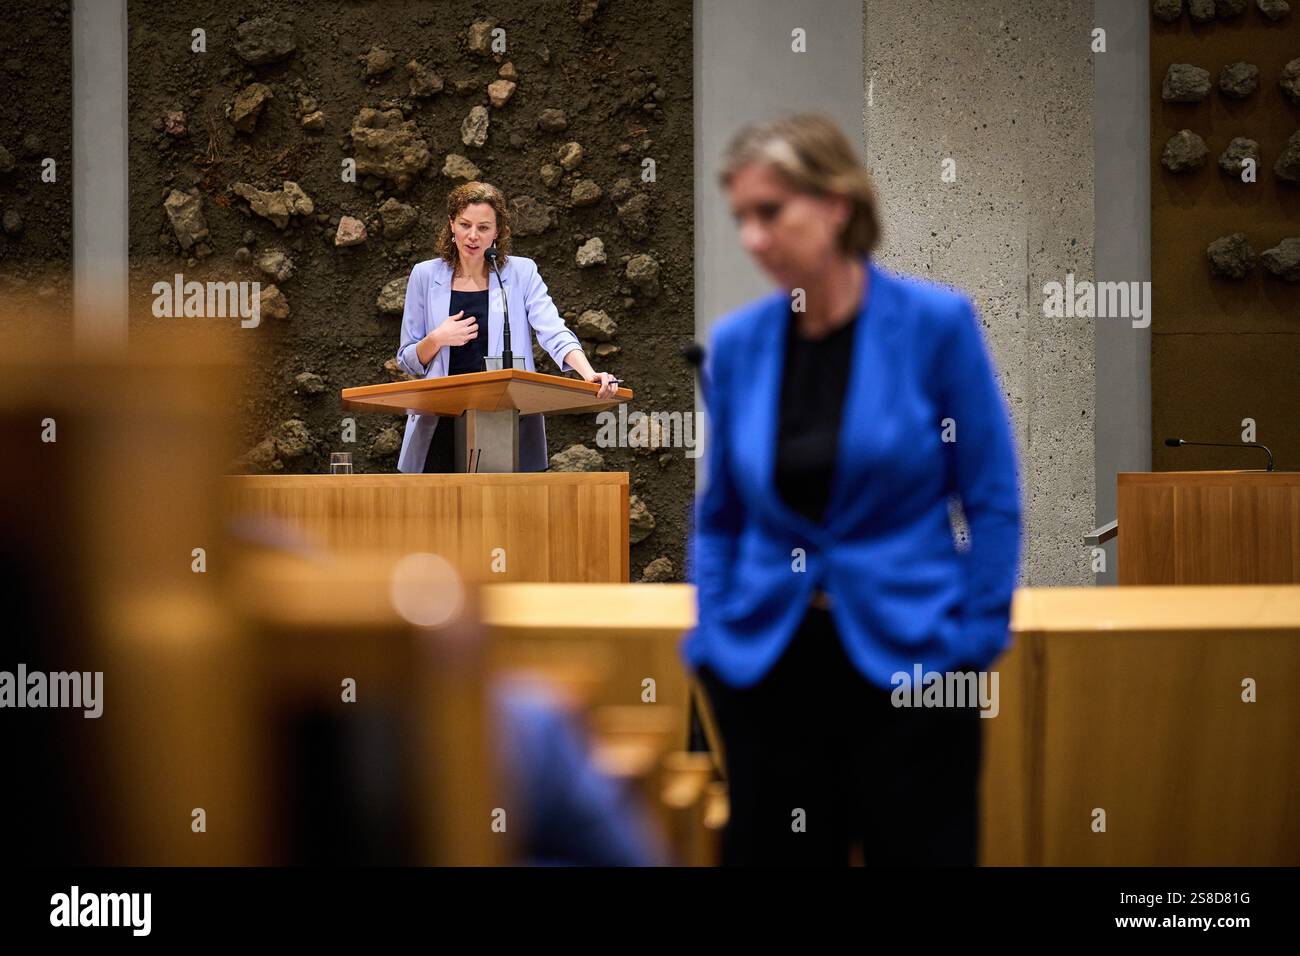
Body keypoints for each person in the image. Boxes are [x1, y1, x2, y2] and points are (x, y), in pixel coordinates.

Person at [684, 114, 1022, 866]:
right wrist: (711, 639)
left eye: (770, 212)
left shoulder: (935, 325)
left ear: (836, 203)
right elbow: (720, 517)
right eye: (741, 217)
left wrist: (975, 642)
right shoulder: (740, 343)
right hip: (769, 666)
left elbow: (991, 496)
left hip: (912, 666)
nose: (752, 239)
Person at [394, 181, 619, 473]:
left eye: (484, 228)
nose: (473, 236)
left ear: (498, 231)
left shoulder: (520, 273)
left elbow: (552, 329)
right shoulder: (425, 275)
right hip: (441, 419)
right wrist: (437, 338)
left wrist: (589, 373)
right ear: (451, 225)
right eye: (465, 225)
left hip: (505, 419)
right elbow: (407, 359)